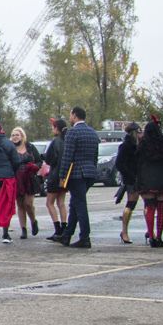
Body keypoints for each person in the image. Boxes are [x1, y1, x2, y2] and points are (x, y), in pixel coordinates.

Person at [55, 106, 100, 248]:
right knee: (75, 203)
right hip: (90, 173)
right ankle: (67, 236)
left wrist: (62, 175)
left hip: (76, 174)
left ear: (74, 116)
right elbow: (95, 156)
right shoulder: (93, 133)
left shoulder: (72, 132)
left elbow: (67, 156)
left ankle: (85, 237)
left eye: (70, 115)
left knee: (80, 205)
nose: (70, 117)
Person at [132, 117, 163, 248]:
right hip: (162, 177)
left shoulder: (142, 144)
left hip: (146, 179)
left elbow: (136, 162)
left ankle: (151, 236)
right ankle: (159, 237)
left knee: (149, 208)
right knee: (161, 210)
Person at [11, 127, 42, 238]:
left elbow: (39, 161)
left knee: (28, 204)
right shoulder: (10, 149)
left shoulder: (30, 147)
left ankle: (33, 221)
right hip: (16, 179)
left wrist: (35, 167)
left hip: (29, 179)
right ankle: (23, 229)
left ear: (22, 136)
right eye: (13, 135)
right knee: (20, 205)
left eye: (17, 135)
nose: (15, 137)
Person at [114, 122, 141, 243]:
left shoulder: (139, 145)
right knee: (130, 204)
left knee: (147, 204)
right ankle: (124, 231)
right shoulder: (126, 146)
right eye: (138, 132)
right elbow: (119, 163)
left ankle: (150, 231)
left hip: (141, 177)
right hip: (131, 179)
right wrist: (129, 175)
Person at [42, 117, 68, 239]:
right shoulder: (67, 140)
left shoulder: (56, 141)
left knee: (50, 203)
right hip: (65, 176)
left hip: (54, 175)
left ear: (57, 128)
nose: (52, 129)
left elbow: (49, 159)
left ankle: (57, 228)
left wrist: (44, 157)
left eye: (53, 127)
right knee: (61, 202)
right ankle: (64, 226)